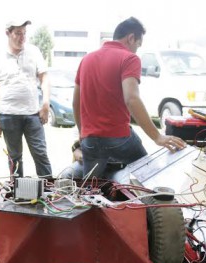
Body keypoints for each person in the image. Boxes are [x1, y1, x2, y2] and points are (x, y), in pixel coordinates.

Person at [73, 17, 186, 179]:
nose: (136, 51)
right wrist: (157, 136)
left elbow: (76, 103)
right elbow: (132, 99)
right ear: (131, 38)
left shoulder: (86, 59)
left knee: (89, 188)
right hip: (119, 137)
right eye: (138, 45)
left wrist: (82, 133)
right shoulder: (129, 58)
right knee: (148, 177)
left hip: (90, 139)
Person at [0, 19, 53, 178]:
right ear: (8, 33)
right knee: (14, 158)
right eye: (17, 33)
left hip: (33, 114)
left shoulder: (34, 52)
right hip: (8, 115)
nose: (22, 37)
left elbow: (44, 79)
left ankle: (49, 189)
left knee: (40, 154)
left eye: (24, 33)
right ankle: (17, 190)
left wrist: (45, 105)